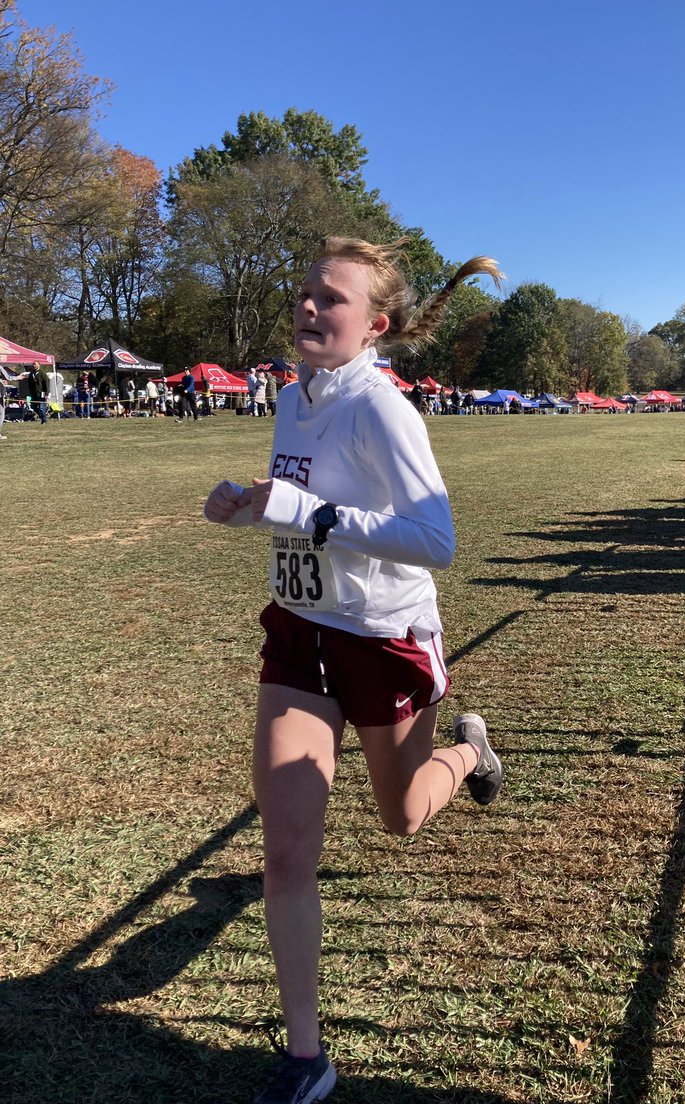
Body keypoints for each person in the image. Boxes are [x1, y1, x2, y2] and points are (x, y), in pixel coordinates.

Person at [203, 236, 505, 1104]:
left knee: (403, 817)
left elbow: (435, 540)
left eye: (329, 299)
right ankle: (308, 1058)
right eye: (304, 293)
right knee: (288, 844)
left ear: (373, 325)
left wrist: (306, 508)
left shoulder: (383, 409)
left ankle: (468, 751)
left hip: (384, 636)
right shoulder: (294, 398)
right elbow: (305, 508)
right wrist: (251, 509)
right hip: (301, 630)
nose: (308, 308)